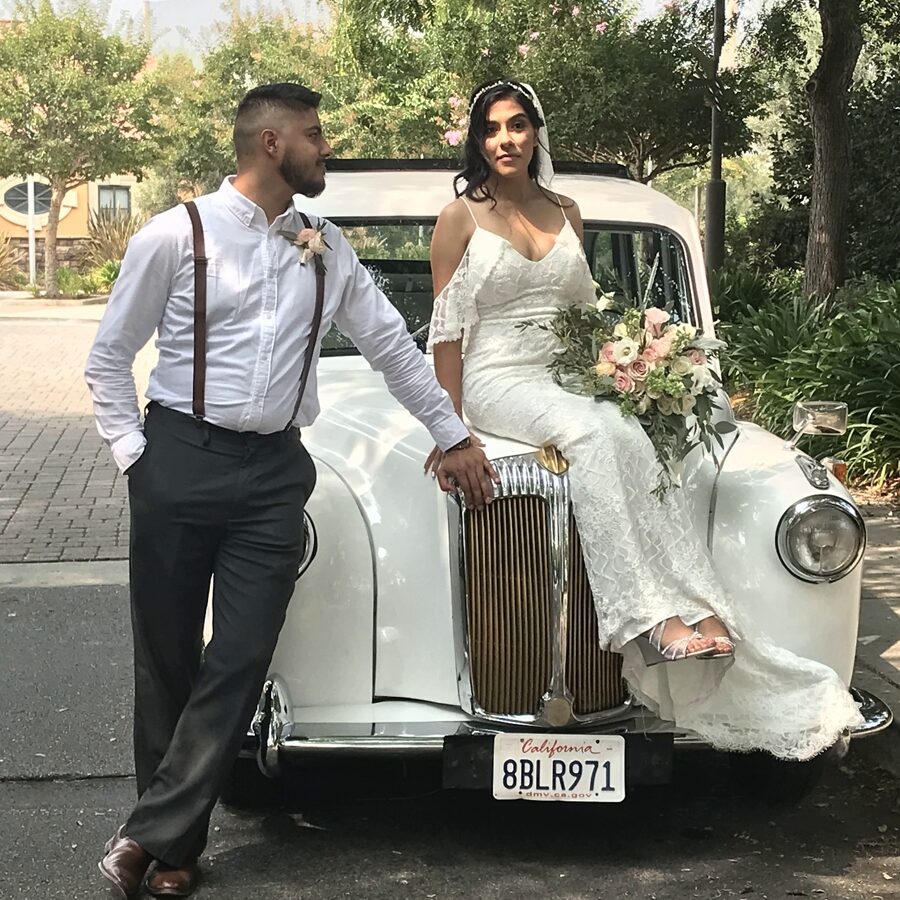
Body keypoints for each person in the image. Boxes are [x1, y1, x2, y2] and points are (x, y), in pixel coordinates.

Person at [85, 81, 496, 898]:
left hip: (275, 472)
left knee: (238, 656)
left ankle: (144, 837)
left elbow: (392, 347)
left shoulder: (326, 245)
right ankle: (176, 850)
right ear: (272, 144)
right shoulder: (175, 236)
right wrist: (139, 458)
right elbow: (109, 357)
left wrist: (453, 434)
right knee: (167, 659)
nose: (326, 145)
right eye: (315, 134)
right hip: (179, 459)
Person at [426, 78, 863, 759]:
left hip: (564, 373)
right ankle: (645, 619)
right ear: (478, 141)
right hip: (497, 377)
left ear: (536, 131)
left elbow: (581, 310)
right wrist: (452, 430)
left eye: (517, 125)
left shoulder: (567, 211)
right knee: (597, 430)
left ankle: (698, 607)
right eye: (491, 129)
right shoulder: (459, 218)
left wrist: (624, 363)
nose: (505, 140)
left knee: (637, 430)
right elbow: (448, 333)